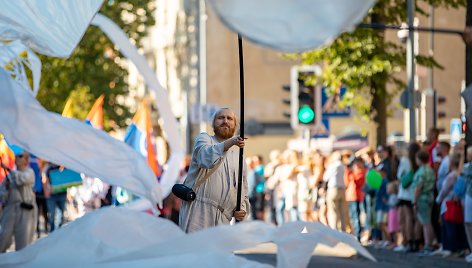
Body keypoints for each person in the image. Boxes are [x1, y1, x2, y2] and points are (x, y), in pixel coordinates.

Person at [179, 108, 248, 233]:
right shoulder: (204, 139)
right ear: (213, 124)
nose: (225, 121)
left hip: (223, 218)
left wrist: (241, 210)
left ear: (235, 125)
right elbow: (205, 159)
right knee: (196, 251)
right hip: (199, 211)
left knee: (220, 253)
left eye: (230, 118)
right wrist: (230, 142)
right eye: (221, 118)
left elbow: (243, 189)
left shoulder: (239, 157)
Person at [0, 151, 37, 252]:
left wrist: (8, 170)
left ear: (26, 159)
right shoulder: (9, 177)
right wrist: (6, 189)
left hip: (25, 210)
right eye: (16, 156)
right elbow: (2, 196)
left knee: (23, 242)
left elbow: (22, 179)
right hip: (10, 210)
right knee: (3, 237)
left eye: (20, 156)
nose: (17, 158)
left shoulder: (29, 172)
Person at [436, 153, 468, 257]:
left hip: (448, 204)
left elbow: (444, 190)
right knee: (458, 226)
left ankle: (450, 247)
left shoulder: (451, 176)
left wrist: (438, 200)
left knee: (448, 226)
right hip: (457, 203)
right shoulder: (460, 174)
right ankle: (461, 247)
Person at [394, 142, 421, 252]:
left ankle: (408, 241)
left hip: (405, 193)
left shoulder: (405, 160)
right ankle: (417, 242)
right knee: (416, 219)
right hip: (415, 193)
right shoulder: (418, 161)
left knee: (407, 219)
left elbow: (399, 176)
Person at [413, 151, 436, 254]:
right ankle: (428, 243)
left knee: (426, 222)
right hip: (430, 197)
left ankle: (428, 245)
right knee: (427, 221)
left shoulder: (422, 171)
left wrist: (415, 201)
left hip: (422, 198)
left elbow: (418, 187)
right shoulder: (430, 170)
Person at [345, 157, 366, 241]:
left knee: (356, 217)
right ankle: (354, 233)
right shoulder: (351, 172)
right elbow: (346, 182)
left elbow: (357, 182)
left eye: (357, 163)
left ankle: (358, 235)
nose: (356, 165)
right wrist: (348, 172)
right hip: (350, 196)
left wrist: (350, 172)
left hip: (357, 196)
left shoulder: (363, 172)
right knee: (352, 216)